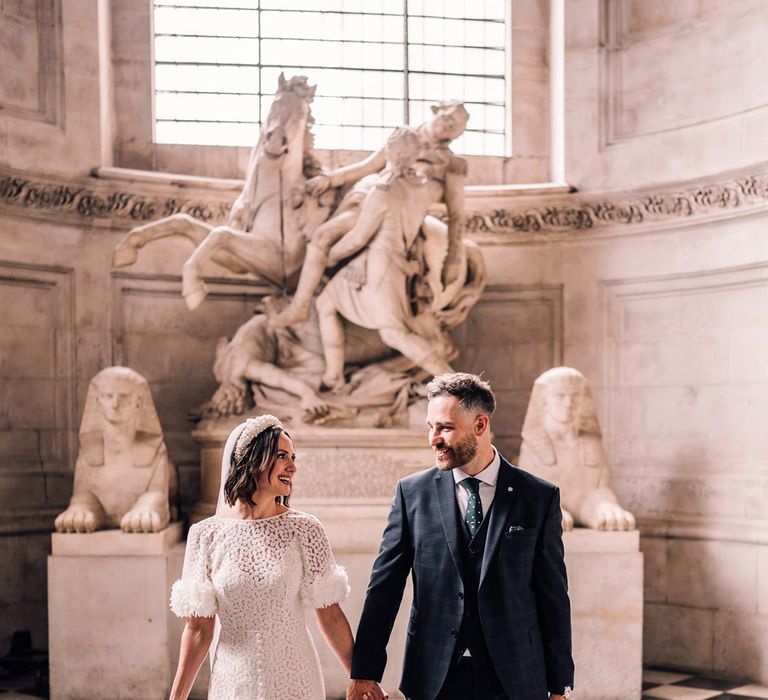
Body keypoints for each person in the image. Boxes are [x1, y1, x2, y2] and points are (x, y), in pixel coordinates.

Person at [348, 373, 574, 700]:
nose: (433, 439)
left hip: (515, 678)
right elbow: (384, 586)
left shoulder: (538, 496)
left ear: (480, 425)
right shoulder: (412, 494)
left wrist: (559, 685)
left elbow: (552, 595)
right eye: (430, 427)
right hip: (432, 675)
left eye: (445, 428)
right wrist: (365, 672)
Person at [168, 414, 354, 700]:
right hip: (233, 682)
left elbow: (331, 617)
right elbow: (198, 630)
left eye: (293, 457)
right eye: (282, 456)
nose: (293, 467)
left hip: (297, 679)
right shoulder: (204, 536)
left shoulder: (306, 530)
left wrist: (362, 678)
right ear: (252, 461)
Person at [269, 100, 470, 329]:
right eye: (448, 119)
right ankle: (303, 301)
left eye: (455, 127)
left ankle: (300, 307)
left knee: (324, 237)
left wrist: (453, 257)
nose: (449, 127)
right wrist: (330, 179)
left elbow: (457, 213)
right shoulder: (403, 137)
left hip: (394, 211)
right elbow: (366, 167)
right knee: (319, 230)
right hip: (365, 198)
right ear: (436, 111)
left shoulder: (453, 164)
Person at [315, 126, 456, 389]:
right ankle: (333, 376)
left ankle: (452, 382)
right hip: (400, 265)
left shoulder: (382, 190)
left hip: (380, 267)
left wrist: (331, 255)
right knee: (326, 302)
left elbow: (359, 236)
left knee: (394, 333)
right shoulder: (424, 187)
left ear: (389, 150)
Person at [54, 366, 175, 533]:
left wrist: (148, 506)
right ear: (97, 401)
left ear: (138, 403)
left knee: (170, 470)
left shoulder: (155, 451)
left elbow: (156, 494)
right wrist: (82, 507)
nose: (115, 404)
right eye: (107, 396)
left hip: (147, 508)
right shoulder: (89, 452)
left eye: (124, 397)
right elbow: (85, 493)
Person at [518, 366, 635, 531]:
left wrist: (603, 505)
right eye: (560, 396)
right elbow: (529, 495)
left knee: (609, 517)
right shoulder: (534, 445)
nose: (568, 403)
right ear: (544, 401)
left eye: (575, 396)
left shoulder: (590, 443)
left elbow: (597, 488)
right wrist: (550, 508)